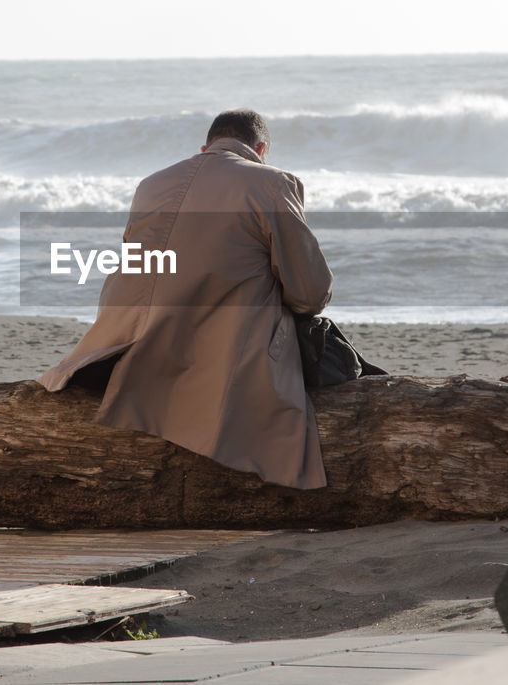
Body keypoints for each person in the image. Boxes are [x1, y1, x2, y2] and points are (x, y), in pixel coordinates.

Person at [37, 110, 334, 489]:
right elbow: (310, 293)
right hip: (216, 354)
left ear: (204, 148)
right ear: (260, 149)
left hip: (127, 341)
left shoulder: (151, 184)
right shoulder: (272, 183)